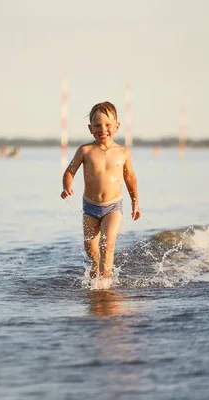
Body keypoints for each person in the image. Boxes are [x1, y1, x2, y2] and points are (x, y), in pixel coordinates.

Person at [61, 101, 141, 286]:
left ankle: (104, 284)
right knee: (90, 247)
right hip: (90, 207)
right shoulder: (85, 151)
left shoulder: (123, 153)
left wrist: (135, 202)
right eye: (97, 125)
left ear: (117, 126)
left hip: (113, 206)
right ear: (90, 128)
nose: (102, 129)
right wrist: (67, 186)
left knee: (107, 243)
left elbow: (130, 178)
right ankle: (97, 268)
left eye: (107, 125)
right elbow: (69, 172)